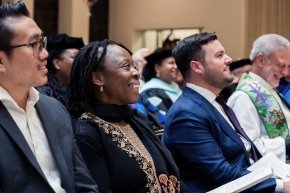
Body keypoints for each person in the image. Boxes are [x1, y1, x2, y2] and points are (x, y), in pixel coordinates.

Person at [163, 32, 289, 192]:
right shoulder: (186, 114)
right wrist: (279, 185)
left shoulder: (215, 101)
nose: (229, 59)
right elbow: (220, 174)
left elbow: (244, 153)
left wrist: (279, 173)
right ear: (197, 67)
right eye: (219, 55)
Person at [67, 39, 191, 193]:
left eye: (134, 65)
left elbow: (172, 181)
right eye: (126, 66)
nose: (136, 72)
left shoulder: (136, 118)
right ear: (98, 78)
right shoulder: (86, 132)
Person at [0, 1, 98, 193]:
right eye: (34, 44)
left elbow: (83, 182)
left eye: (42, 43)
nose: (45, 54)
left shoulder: (54, 108)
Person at [228, 34, 290, 162]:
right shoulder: (243, 97)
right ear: (261, 60)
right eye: (281, 65)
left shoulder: (271, 90)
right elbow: (247, 147)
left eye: (288, 67)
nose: (285, 73)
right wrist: (286, 145)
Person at [136, 48, 182, 137]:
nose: (176, 66)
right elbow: (161, 123)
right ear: (157, 68)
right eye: (171, 63)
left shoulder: (176, 88)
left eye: (176, 63)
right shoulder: (150, 92)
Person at [37, 33, 84, 107]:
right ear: (57, 63)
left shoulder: (77, 91)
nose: (80, 62)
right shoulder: (43, 93)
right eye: (75, 57)